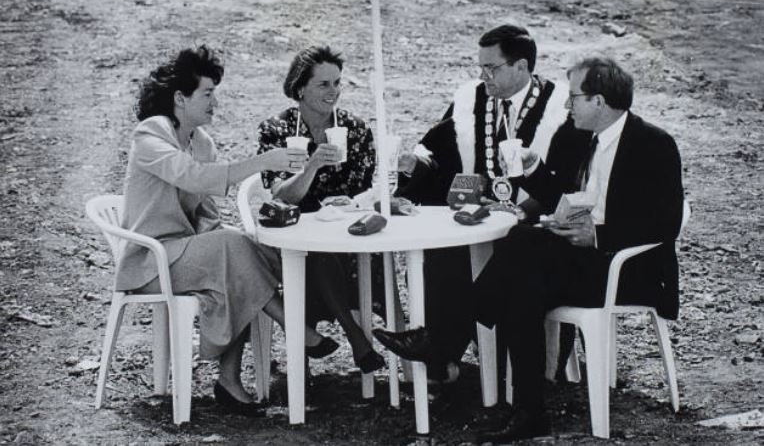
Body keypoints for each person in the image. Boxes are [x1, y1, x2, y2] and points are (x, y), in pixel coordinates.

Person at [375, 56, 684, 441]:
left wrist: (600, 236)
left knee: (522, 255)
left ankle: (443, 339)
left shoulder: (653, 144)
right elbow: (558, 200)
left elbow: (665, 223)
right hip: (575, 260)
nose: (568, 105)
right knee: (523, 279)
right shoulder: (575, 138)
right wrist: (534, 167)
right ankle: (528, 412)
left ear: (600, 102)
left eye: (575, 98)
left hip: (625, 268)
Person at [116, 45, 338, 417]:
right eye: (207, 93)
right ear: (179, 98)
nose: (214, 101)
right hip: (149, 262)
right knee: (233, 251)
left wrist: (237, 243)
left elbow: (205, 211)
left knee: (241, 252)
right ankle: (294, 327)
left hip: (185, 253)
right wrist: (263, 162)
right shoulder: (150, 133)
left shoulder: (202, 142)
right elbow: (190, 176)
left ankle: (230, 382)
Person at [392, 24, 573, 379]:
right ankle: (443, 360)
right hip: (477, 215)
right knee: (445, 248)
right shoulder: (470, 99)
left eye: (492, 68)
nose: (483, 76)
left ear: (521, 67)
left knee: (511, 251)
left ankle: (440, 343)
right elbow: (438, 148)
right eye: (480, 67)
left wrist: (522, 210)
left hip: (532, 224)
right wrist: (418, 164)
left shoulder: (558, 109)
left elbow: (566, 181)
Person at [257, 45, 386, 374]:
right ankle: (356, 337)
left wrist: (351, 203)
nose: (334, 92)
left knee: (327, 252)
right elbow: (282, 197)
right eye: (324, 84)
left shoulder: (354, 130)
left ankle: (350, 337)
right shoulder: (277, 129)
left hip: (347, 231)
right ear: (300, 88)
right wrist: (311, 166)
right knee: (317, 253)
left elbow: (366, 191)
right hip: (297, 236)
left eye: (337, 83)